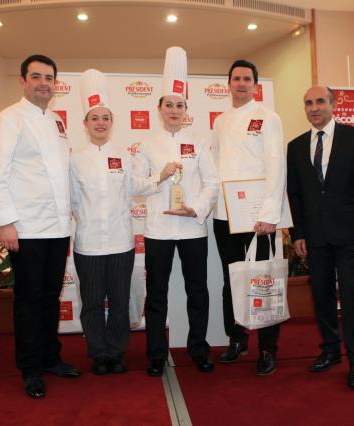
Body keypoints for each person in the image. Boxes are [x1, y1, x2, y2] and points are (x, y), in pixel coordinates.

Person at [0, 54, 80, 399]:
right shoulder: (8, 120)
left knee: (51, 297)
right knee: (28, 299)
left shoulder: (56, 121)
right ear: (22, 81)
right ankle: (30, 368)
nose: (43, 82)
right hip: (25, 228)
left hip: (57, 227)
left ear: (55, 83)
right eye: (36, 76)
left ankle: (50, 357)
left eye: (49, 77)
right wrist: (5, 222)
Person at [133, 47, 219, 377]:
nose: (174, 110)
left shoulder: (200, 142)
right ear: (159, 108)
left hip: (193, 228)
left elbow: (212, 182)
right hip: (158, 230)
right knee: (157, 295)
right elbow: (137, 187)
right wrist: (161, 176)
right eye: (168, 104)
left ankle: (198, 349)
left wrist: (195, 208)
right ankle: (156, 354)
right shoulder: (146, 145)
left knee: (198, 290)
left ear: (186, 110)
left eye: (179, 105)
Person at [287, 86, 354, 389]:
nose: (313, 107)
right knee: (321, 294)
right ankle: (330, 350)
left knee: (351, 295)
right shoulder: (297, 146)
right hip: (314, 236)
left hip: (350, 235)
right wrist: (297, 233)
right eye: (307, 103)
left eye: (319, 101)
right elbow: (296, 195)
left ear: (332, 104)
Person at [70, 69, 160, 376]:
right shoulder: (74, 159)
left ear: (112, 122)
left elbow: (138, 187)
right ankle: (98, 352)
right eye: (94, 118)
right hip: (88, 243)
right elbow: (69, 199)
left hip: (122, 242)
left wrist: (162, 175)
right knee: (92, 303)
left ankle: (118, 351)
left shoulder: (124, 155)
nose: (100, 123)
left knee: (120, 301)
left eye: (105, 117)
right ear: (85, 123)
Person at [211, 60, 287, 375]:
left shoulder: (268, 118)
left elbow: (276, 166)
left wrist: (270, 214)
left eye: (246, 79)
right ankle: (236, 338)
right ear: (228, 84)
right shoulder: (220, 121)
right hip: (226, 214)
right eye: (236, 79)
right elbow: (215, 167)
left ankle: (268, 348)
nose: (240, 83)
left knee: (264, 279)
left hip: (259, 217)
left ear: (255, 85)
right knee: (232, 280)